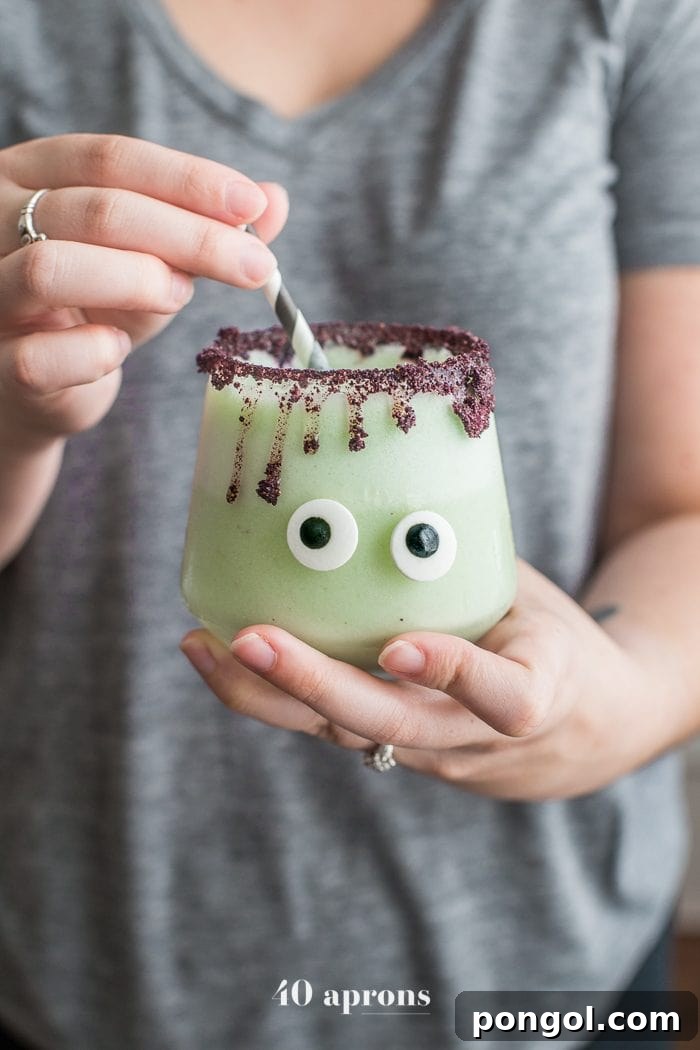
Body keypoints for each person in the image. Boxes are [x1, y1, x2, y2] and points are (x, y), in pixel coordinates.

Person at [1, 0, 699, 1047]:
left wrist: (601, 700)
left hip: (542, 974)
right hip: (95, 964)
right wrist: (15, 423)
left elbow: (680, 504)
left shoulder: (629, 19)